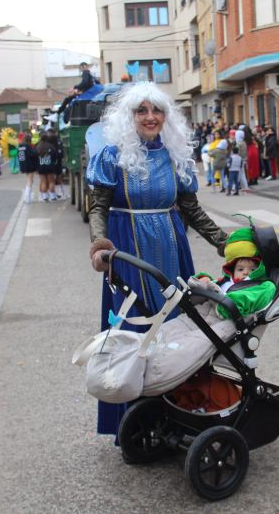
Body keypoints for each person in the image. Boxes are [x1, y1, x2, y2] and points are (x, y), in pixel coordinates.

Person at [86, 81, 228, 443]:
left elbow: (192, 210)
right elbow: (98, 206)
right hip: (128, 253)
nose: (150, 117)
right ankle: (134, 423)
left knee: (177, 330)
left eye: (157, 110)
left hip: (171, 249)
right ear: (129, 116)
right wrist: (100, 246)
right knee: (134, 330)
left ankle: (178, 414)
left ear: (167, 116)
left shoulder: (174, 155)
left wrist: (227, 244)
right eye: (141, 110)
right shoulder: (112, 155)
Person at [35, 133, 58, 201]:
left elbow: (35, 157)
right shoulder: (51, 146)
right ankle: (52, 196)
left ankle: (45, 197)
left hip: (41, 166)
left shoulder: (37, 146)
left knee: (43, 181)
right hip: (50, 166)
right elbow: (55, 157)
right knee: (51, 181)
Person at [17, 134, 39, 203]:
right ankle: (27, 198)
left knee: (29, 181)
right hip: (29, 165)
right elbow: (32, 154)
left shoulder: (20, 146)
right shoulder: (27, 146)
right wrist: (37, 151)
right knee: (30, 181)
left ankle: (27, 197)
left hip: (23, 165)